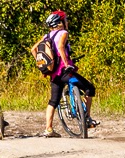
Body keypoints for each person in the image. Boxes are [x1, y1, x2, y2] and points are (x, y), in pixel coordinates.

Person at [32, 10, 98, 138]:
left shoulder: (47, 36)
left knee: (53, 101)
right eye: (66, 20)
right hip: (64, 71)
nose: (67, 22)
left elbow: (33, 49)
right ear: (60, 22)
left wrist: (43, 67)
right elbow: (61, 47)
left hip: (54, 74)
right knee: (89, 88)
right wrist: (67, 64)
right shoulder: (63, 33)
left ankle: (49, 129)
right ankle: (87, 117)